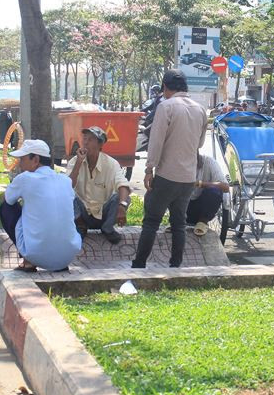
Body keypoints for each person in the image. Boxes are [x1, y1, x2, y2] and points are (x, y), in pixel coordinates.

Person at [132, 69, 207, 268]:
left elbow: (155, 143)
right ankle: (176, 264)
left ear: (165, 87)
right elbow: (200, 143)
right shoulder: (200, 109)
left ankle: (139, 263)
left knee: (151, 221)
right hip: (188, 177)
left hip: (167, 174)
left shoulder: (166, 106)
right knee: (179, 223)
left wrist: (149, 170)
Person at [0, 139, 81, 272]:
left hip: (36, 254)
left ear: (35, 160)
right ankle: (57, 257)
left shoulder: (25, 178)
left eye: (23, 159)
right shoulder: (65, 181)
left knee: (6, 208)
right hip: (68, 256)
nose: (19, 164)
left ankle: (28, 262)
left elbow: (8, 200)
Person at [67, 126, 132, 244]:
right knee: (66, 194)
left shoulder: (111, 163)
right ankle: (81, 225)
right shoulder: (74, 161)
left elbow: (123, 184)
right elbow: (68, 186)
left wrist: (122, 207)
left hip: (103, 213)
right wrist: (78, 163)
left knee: (124, 198)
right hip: (83, 214)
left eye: (90, 140)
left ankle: (107, 228)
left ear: (100, 144)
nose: (85, 143)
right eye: (85, 139)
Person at [187, 153, 230, 236]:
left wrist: (200, 184)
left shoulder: (209, 161)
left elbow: (225, 187)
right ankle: (174, 220)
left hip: (202, 209)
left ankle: (202, 222)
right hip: (182, 208)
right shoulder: (176, 164)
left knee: (215, 189)